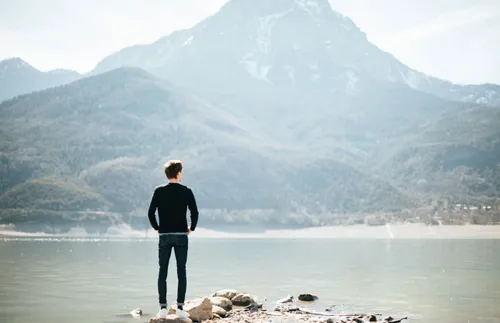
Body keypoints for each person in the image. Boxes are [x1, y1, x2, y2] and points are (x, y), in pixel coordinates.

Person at [148, 160, 199, 319]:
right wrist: (191, 228)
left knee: (162, 271)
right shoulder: (186, 191)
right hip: (181, 236)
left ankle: (162, 308)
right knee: (181, 271)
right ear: (178, 173)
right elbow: (194, 212)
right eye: (181, 172)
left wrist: (157, 228)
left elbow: (151, 213)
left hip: (164, 236)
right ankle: (180, 308)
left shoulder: (159, 191)